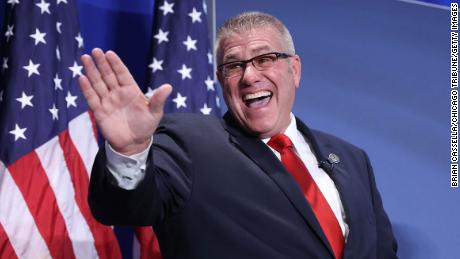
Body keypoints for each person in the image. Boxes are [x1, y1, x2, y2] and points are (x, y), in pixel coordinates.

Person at [79, 12, 398, 259]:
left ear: (294, 69)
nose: (249, 76)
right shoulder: (189, 143)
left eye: (264, 59)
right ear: (220, 80)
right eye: (233, 65)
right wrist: (130, 150)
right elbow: (124, 208)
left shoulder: (352, 159)